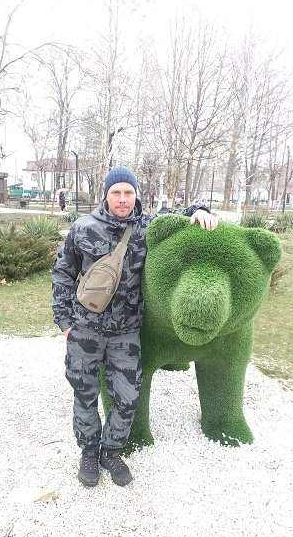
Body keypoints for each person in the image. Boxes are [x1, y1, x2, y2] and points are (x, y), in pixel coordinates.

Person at [52, 166, 217, 488]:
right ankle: (89, 452)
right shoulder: (83, 228)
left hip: (126, 332)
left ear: (136, 194)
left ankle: (112, 451)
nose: (123, 199)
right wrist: (64, 322)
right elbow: (63, 273)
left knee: (128, 398)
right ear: (106, 195)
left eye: (128, 192)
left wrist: (200, 210)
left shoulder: (147, 226)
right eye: (116, 192)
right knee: (85, 394)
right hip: (85, 329)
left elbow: (179, 216)